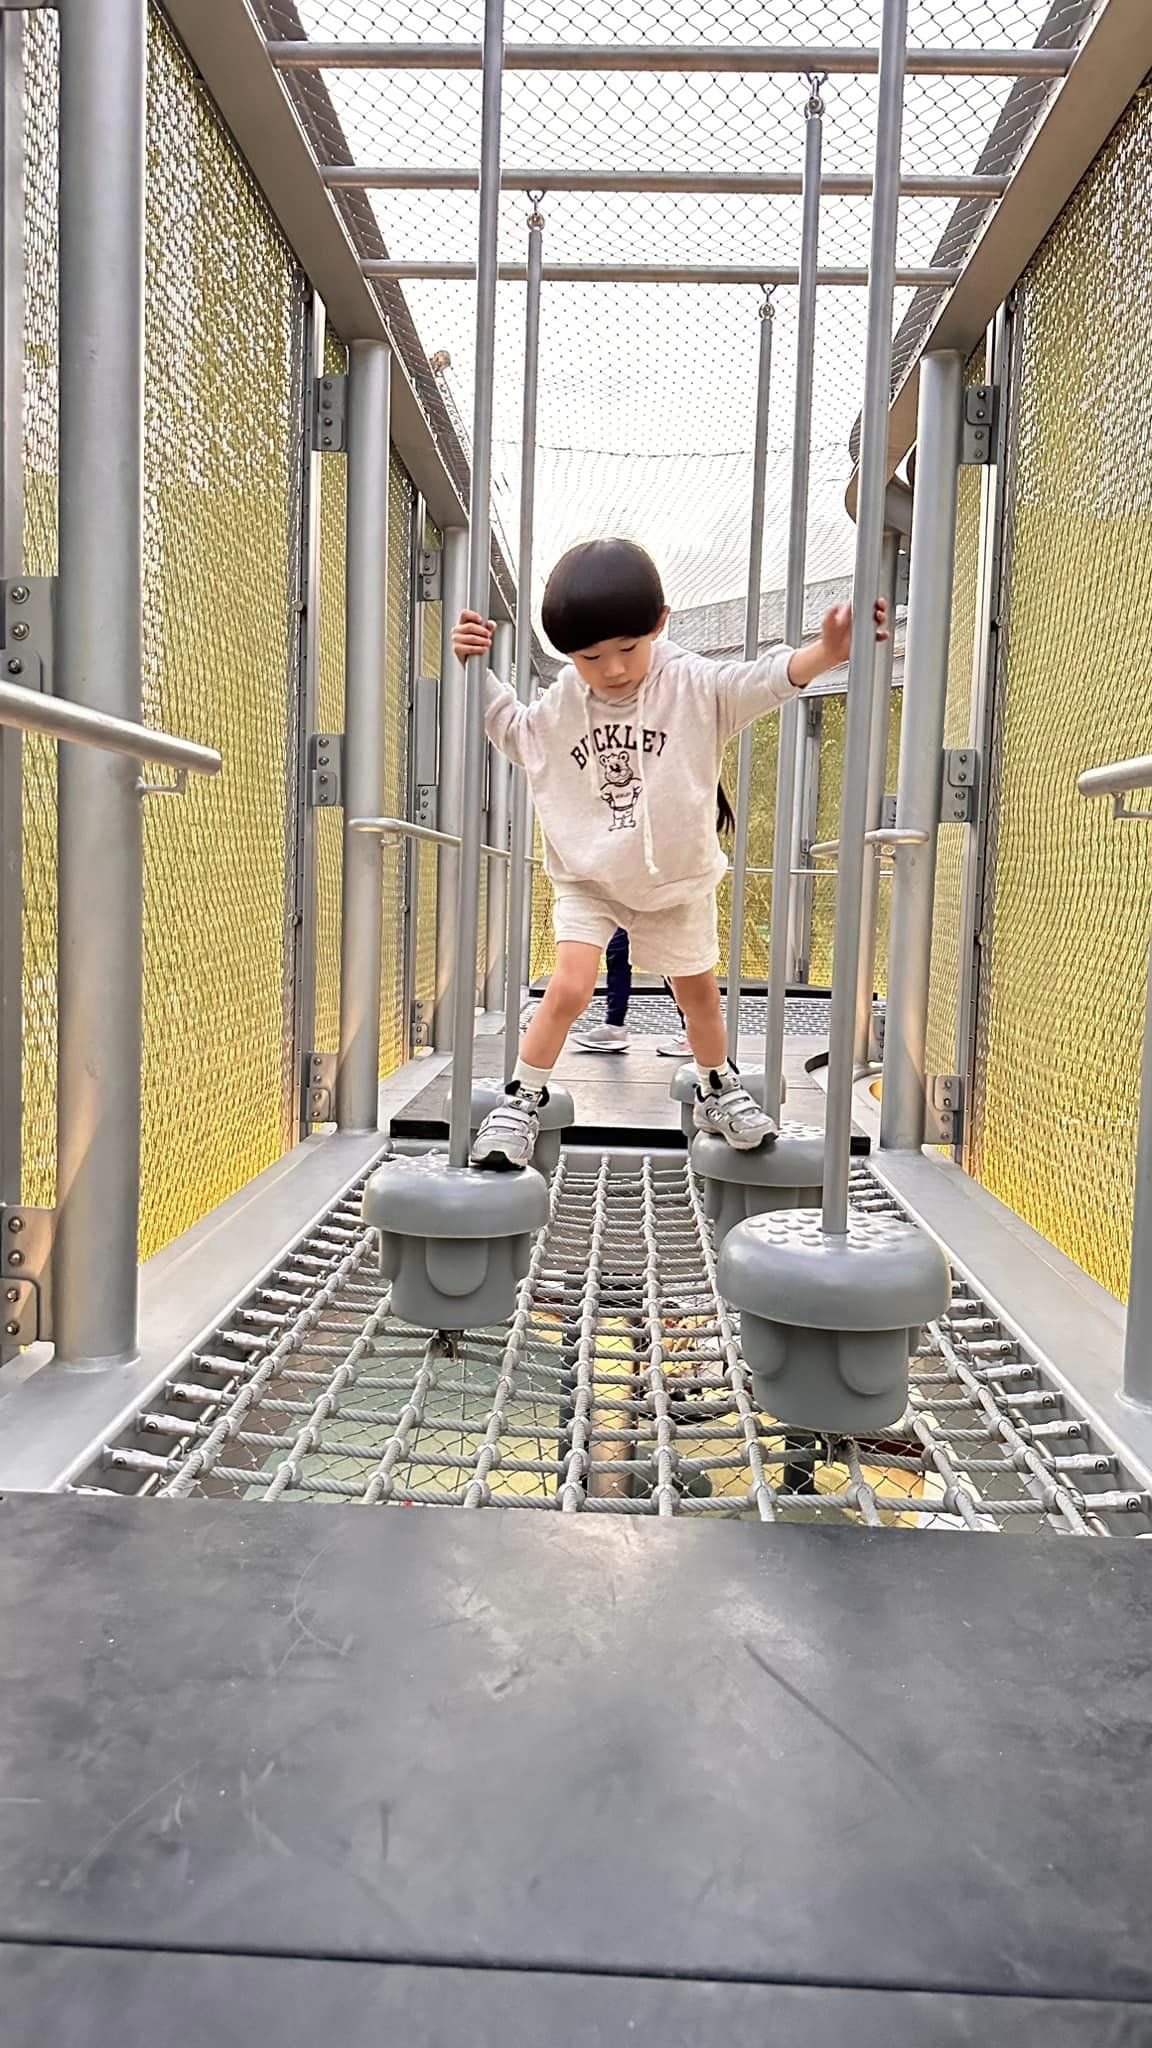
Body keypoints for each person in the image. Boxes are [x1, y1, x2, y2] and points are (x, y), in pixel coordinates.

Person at [455, 536, 885, 1171]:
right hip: (590, 878)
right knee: (569, 986)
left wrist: (825, 654)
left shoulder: (693, 684)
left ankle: (716, 1085)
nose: (612, 669)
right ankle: (521, 1097)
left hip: (675, 879)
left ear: (660, 623)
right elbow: (518, 732)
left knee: (699, 996)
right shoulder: (567, 699)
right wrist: (476, 667)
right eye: (589, 657)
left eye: (627, 648)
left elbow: (761, 680)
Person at [571, 785, 735, 1055]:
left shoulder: (690, 794)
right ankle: (615, 1026)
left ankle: (691, 1032)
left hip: (667, 893)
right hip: (637, 889)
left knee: (677, 971)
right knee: (619, 953)